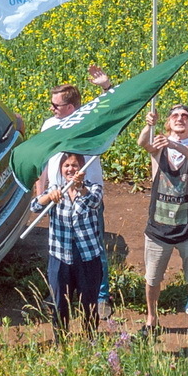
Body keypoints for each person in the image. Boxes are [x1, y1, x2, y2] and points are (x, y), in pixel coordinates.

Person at [43, 68, 115, 320]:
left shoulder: (88, 122)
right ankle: (59, 292)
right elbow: (45, 160)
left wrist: (106, 86)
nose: (52, 109)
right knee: (59, 246)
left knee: (93, 246)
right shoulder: (49, 125)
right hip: (57, 196)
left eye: (56, 105)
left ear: (72, 106)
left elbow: (112, 110)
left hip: (87, 194)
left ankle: (100, 296)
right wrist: (42, 191)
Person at [137, 102, 188, 340]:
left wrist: (174, 143)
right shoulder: (159, 147)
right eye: (175, 115)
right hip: (158, 231)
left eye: (185, 116)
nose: (180, 118)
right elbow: (143, 144)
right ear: (168, 122)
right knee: (152, 280)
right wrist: (148, 126)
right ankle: (151, 319)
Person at [33, 151, 106, 333]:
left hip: (87, 256)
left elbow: (94, 202)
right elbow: (35, 206)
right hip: (60, 256)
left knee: (89, 302)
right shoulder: (56, 190)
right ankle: (62, 342)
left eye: (74, 165)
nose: (70, 169)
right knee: (60, 303)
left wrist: (80, 187)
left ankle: (89, 340)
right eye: (66, 166)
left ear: (83, 169)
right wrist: (48, 197)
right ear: (61, 169)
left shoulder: (93, 188)